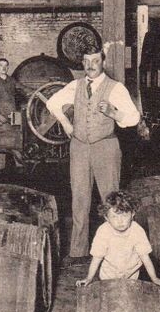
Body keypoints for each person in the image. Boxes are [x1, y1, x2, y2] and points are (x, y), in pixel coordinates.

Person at [46, 50, 141, 267]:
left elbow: (134, 118)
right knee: (79, 199)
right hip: (79, 147)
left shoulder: (115, 88)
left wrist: (113, 113)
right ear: (82, 63)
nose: (91, 65)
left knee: (111, 199)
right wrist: (66, 123)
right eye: (87, 61)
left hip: (106, 146)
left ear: (103, 62)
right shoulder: (76, 85)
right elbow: (52, 103)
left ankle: (115, 251)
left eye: (95, 61)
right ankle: (78, 252)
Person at [75, 191, 160, 286]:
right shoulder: (103, 231)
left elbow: (145, 258)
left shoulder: (137, 230)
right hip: (108, 276)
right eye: (114, 217)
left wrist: (154, 278)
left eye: (124, 215)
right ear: (106, 218)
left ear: (132, 214)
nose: (120, 221)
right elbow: (97, 258)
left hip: (131, 276)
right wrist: (89, 278)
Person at [0, 57, 22, 170]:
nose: (4, 68)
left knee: (16, 144)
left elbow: (22, 88)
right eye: (1, 65)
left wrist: (37, 91)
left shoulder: (12, 81)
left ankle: (20, 170)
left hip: (13, 117)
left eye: (6, 66)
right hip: (0, 119)